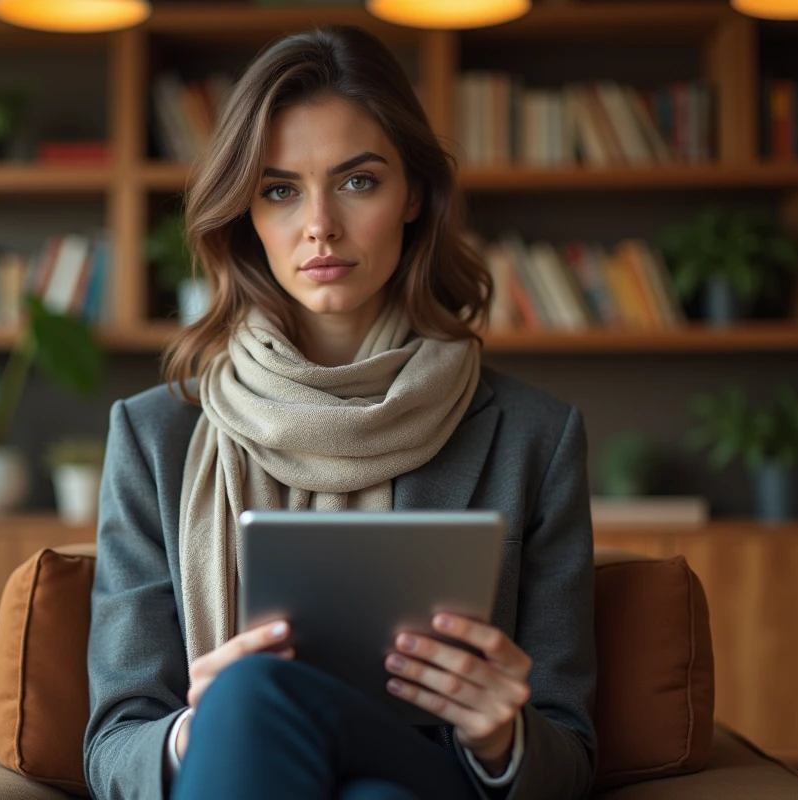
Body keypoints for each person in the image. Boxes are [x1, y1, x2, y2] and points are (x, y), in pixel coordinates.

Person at [83, 24, 596, 800]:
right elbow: (115, 742)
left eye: (358, 181)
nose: (319, 223)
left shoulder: (536, 438)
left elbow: (572, 752)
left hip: (441, 775)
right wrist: (198, 727)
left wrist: (502, 733)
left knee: (256, 698)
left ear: (414, 194)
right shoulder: (155, 436)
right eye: (280, 189)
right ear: (244, 215)